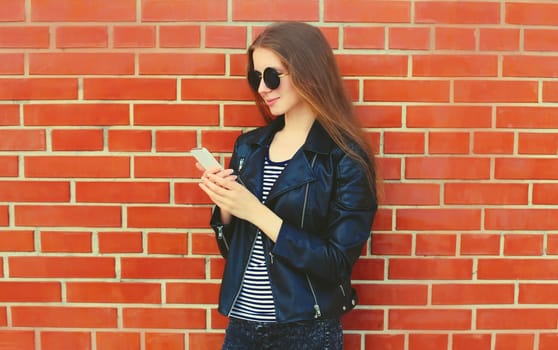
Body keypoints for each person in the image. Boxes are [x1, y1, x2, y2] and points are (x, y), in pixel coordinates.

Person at [197, 21, 378, 350]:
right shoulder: (249, 148)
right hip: (242, 327)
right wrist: (226, 207)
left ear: (308, 71)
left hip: (306, 330)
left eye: (272, 75)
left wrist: (255, 211)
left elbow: (336, 264)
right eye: (256, 77)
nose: (263, 88)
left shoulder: (345, 157)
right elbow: (235, 251)